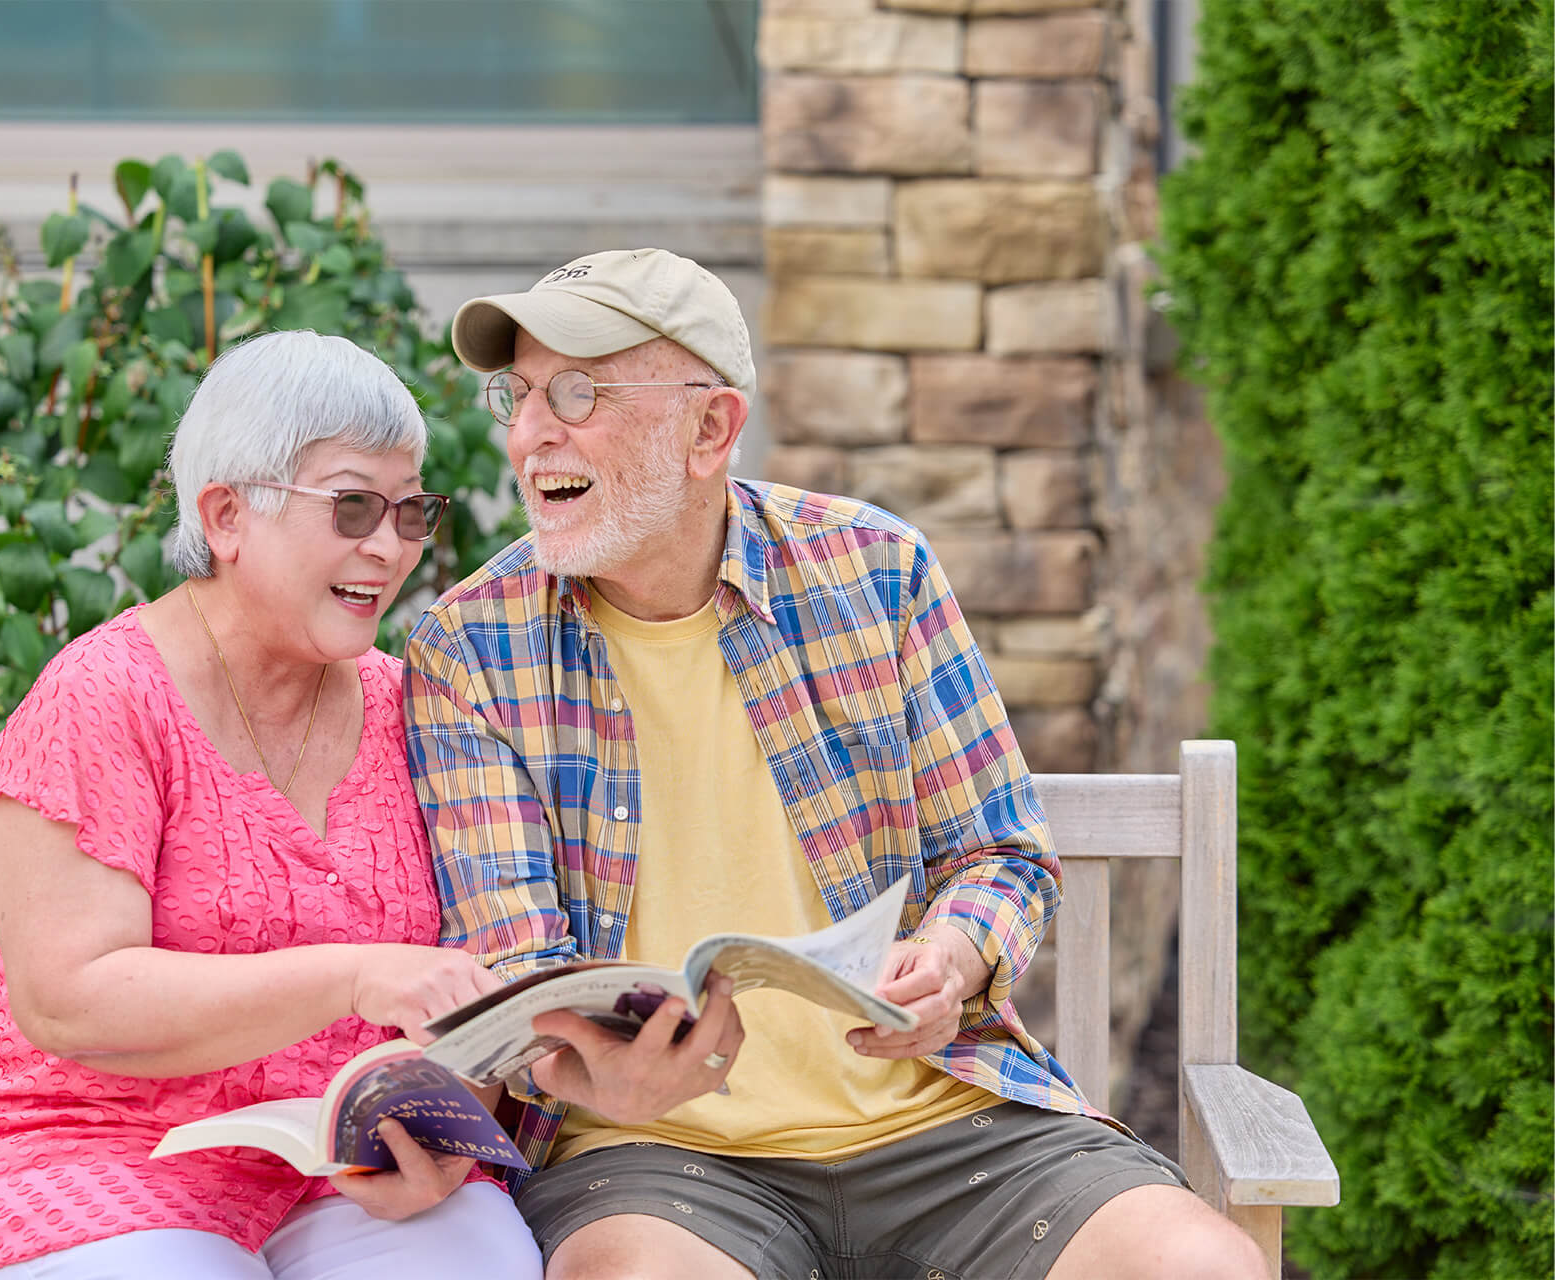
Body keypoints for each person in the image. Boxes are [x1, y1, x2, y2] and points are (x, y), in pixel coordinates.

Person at [401, 249, 1270, 1280]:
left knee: (1199, 1265)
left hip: (949, 1127)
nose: (530, 430)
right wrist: (585, 1071)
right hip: (659, 1159)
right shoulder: (471, 645)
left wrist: (952, 954)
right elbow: (515, 966)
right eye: (521, 391)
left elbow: (1001, 852)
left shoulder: (874, 571)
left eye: (581, 391)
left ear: (710, 429)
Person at [0, 330, 543, 1280]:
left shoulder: (410, 704)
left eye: (409, 512)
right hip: (99, 1158)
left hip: (345, 1169)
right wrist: (348, 977)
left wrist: (448, 1140)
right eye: (351, 507)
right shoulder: (106, 695)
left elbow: (475, 982)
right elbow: (68, 1000)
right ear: (225, 516)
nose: (388, 546)